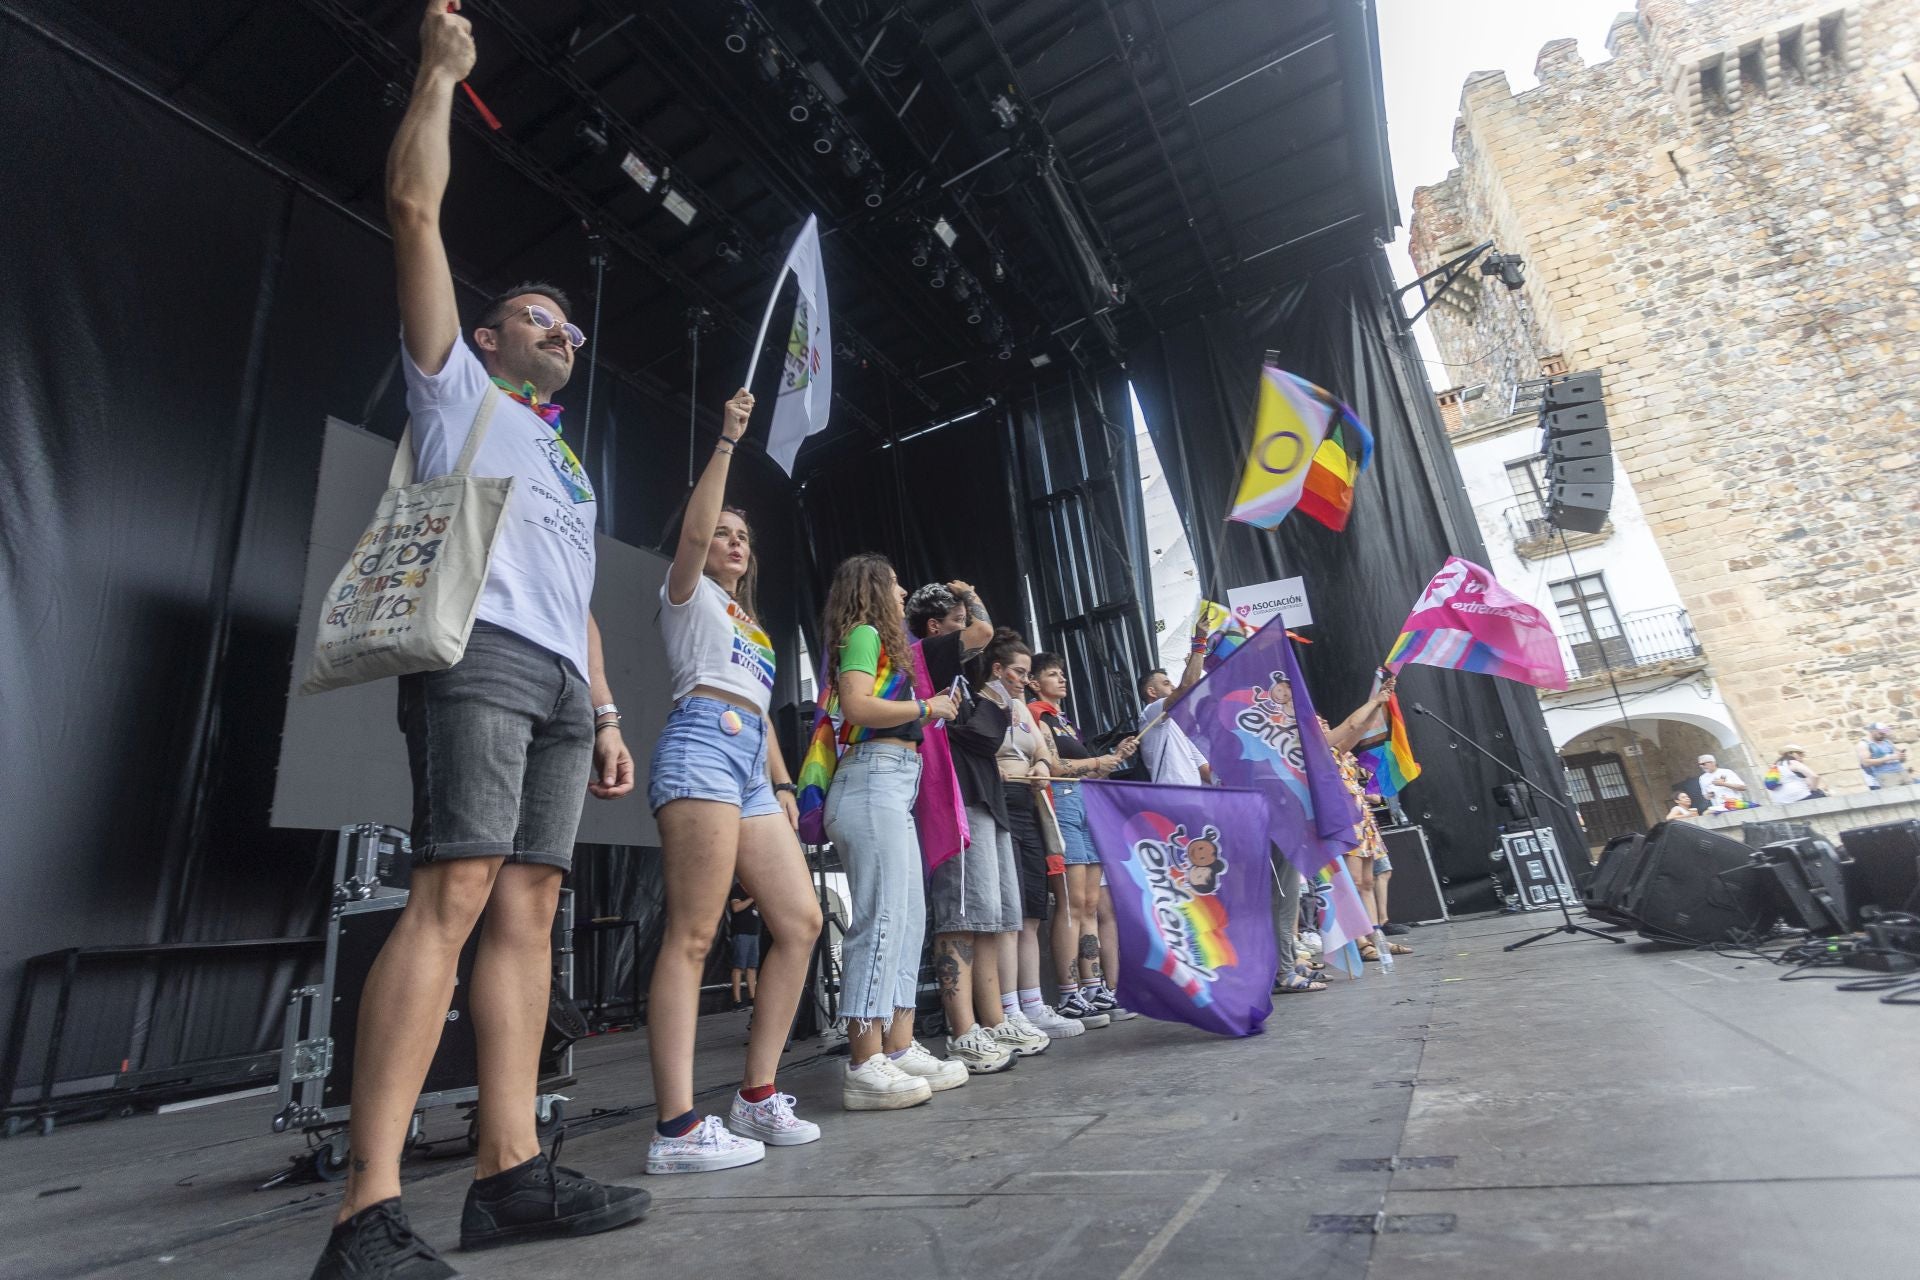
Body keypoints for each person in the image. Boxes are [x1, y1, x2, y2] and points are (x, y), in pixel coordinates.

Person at [312, 5, 647, 1273]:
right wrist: (440, 76)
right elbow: (413, 208)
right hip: (480, 656)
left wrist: (608, 711)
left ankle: (510, 1174)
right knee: (452, 891)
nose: (560, 332)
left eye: (570, 325)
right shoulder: (455, 388)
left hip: (561, 678)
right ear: (491, 334)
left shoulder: (567, 463)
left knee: (531, 904)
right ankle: (367, 1210)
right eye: (538, 317)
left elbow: (580, 599)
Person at [644, 391, 824, 1173]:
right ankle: (676, 1130)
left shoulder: (749, 624)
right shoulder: (684, 594)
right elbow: (692, 528)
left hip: (751, 764)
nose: (733, 541)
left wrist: (783, 783)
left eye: (744, 535)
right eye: (723, 533)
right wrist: (726, 440)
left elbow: (759, 707)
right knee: (693, 936)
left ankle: (755, 1096)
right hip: (699, 750)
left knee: (801, 920)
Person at [820, 555, 963, 1109]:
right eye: (897, 584)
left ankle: (899, 1048)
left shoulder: (879, 640)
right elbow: (855, 705)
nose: (904, 592)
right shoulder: (861, 633)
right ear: (875, 588)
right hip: (871, 780)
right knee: (880, 919)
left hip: (891, 782)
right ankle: (863, 1061)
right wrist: (927, 707)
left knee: (907, 920)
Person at [905, 582, 1017, 1075]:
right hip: (955, 798)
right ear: (935, 628)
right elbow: (986, 630)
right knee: (960, 915)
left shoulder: (963, 682)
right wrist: (970, 593)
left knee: (989, 919)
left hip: (984, 795)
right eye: (956, 621)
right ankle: (962, 1030)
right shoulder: (927, 655)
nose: (966, 634)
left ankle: (991, 1020)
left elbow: (985, 737)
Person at [977, 629, 1091, 1040]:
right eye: (1019, 672)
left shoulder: (1022, 707)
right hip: (999, 801)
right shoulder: (982, 701)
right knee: (1008, 911)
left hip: (1031, 804)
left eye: (1028, 673)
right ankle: (1007, 1007)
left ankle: (1030, 1002)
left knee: (1031, 910)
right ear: (996, 669)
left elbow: (1043, 752)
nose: (1024, 679)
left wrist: (1042, 766)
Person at [1026, 652, 1139, 1021]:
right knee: (1071, 903)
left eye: (1063, 674)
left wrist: (1112, 758)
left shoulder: (1065, 721)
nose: (1062, 680)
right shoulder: (1037, 715)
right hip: (1061, 805)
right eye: (1053, 675)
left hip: (1084, 805)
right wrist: (1095, 762)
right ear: (1034, 682)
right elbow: (1054, 767)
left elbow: (1085, 772)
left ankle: (1093, 985)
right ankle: (1068, 992)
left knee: (1090, 904)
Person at [1324, 681, 1410, 962]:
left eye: (1325, 722)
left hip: (1362, 820)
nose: (1324, 724)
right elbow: (1350, 724)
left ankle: (1378, 937)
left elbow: (1358, 729)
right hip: (1343, 822)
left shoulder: (1340, 754)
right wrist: (1373, 701)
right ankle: (1360, 942)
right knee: (1351, 882)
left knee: (1368, 882)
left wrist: (1380, 701)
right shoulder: (1317, 754)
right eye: (1319, 724)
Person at [1137, 653, 1212, 786]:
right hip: (1172, 797)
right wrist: (1199, 645)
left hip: (1195, 799)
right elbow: (1185, 688)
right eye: (1166, 683)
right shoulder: (1150, 712)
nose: (1173, 687)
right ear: (1152, 692)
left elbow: (1205, 770)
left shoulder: (1179, 728)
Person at [727, 883, 760, 1007]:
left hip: (754, 933)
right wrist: (752, 898)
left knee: (751, 967)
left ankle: (752, 998)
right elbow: (736, 907)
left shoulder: (754, 889)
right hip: (741, 933)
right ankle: (737, 1000)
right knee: (738, 967)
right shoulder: (737, 889)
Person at [1858, 724, 1912, 790]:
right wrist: (1889, 758)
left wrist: (1902, 757)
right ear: (1872, 732)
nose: (1884, 735)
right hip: (1886, 775)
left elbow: (1900, 759)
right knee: (1897, 796)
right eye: (1881, 733)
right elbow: (1866, 763)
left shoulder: (1887, 741)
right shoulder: (1864, 744)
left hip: (1901, 772)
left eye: (1885, 733)